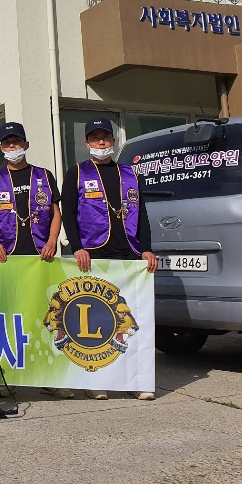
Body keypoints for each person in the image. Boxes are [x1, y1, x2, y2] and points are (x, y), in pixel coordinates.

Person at [60, 117, 158, 401]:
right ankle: (97, 380)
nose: (101, 142)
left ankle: (137, 379)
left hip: (129, 251)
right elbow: (69, 213)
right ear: (87, 143)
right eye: (95, 138)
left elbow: (142, 214)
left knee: (132, 318)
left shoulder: (130, 174)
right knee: (97, 319)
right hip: (94, 252)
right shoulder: (77, 173)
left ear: (113, 141)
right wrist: (77, 247)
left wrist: (147, 248)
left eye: (105, 137)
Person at [0, 122, 71, 399]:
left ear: (26, 145)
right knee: (10, 317)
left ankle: (47, 375)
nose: (13, 147)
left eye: (17, 142)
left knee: (45, 316)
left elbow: (56, 212)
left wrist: (53, 240)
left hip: (41, 257)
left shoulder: (43, 175)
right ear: (1, 148)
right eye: (7, 144)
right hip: (8, 259)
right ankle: (9, 376)